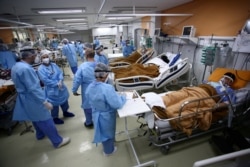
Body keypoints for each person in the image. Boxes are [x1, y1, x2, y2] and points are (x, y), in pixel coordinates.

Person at [11, 48, 70, 148]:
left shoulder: (17, 66)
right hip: (34, 98)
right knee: (45, 119)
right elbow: (33, 88)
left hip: (27, 98)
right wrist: (44, 101)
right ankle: (57, 141)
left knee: (35, 118)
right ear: (30, 56)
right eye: (35, 56)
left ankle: (40, 134)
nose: (36, 58)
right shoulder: (26, 69)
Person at [85, 63, 126, 156]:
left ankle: (108, 147)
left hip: (96, 114)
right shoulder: (107, 88)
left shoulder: (90, 87)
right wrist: (123, 97)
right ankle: (108, 151)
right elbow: (117, 104)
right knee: (107, 133)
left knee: (103, 132)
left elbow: (90, 99)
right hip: (106, 116)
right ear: (105, 75)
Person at [37, 51, 75, 124]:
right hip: (51, 89)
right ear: (41, 59)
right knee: (54, 104)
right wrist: (56, 84)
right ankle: (55, 117)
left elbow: (60, 73)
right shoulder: (41, 69)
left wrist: (60, 80)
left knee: (64, 100)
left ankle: (65, 112)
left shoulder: (54, 65)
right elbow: (45, 80)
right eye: (43, 57)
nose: (46, 59)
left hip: (61, 87)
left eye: (46, 57)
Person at [72, 49, 97, 128]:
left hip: (87, 89)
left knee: (87, 105)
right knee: (98, 104)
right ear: (94, 55)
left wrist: (74, 90)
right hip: (99, 88)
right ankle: (98, 121)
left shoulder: (83, 67)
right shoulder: (99, 65)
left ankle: (89, 122)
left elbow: (77, 79)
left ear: (86, 56)